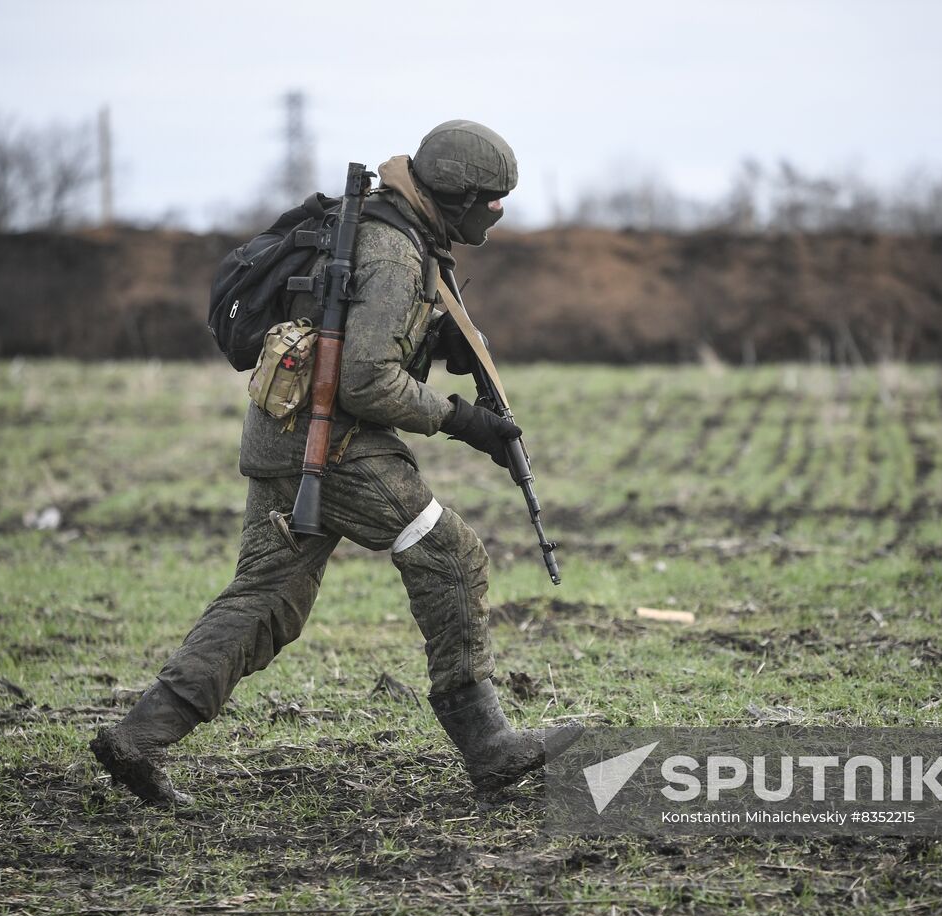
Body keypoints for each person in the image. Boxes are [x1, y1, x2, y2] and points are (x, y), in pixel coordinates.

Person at [91, 120, 583, 806]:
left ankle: (138, 737)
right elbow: (367, 381)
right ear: (459, 196)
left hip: (284, 434)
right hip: (331, 443)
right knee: (451, 555)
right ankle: (489, 745)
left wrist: (438, 339)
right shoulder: (394, 250)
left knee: (267, 600)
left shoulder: (392, 230)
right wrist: (461, 420)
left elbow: (357, 336)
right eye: (492, 200)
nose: (499, 212)